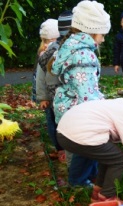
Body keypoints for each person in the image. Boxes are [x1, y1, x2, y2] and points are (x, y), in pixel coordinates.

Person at [56, 85, 123, 202]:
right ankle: (107, 197)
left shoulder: (119, 106)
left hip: (65, 132)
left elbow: (109, 145)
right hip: (77, 134)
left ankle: (98, 191)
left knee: (110, 157)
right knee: (119, 159)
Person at [50, 0, 111, 188]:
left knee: (84, 148)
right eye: (102, 34)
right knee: (87, 147)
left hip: (69, 106)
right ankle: (78, 183)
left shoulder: (69, 46)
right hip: (79, 110)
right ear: (92, 31)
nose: (103, 39)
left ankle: (90, 176)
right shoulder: (84, 55)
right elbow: (86, 93)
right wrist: (104, 110)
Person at [36, 12, 73, 163]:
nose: (47, 44)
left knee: (64, 124)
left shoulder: (67, 49)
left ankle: (67, 150)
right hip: (52, 96)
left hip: (65, 96)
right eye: (44, 40)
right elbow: (39, 77)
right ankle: (61, 149)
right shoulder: (47, 53)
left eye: (50, 40)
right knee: (55, 124)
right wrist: (43, 97)